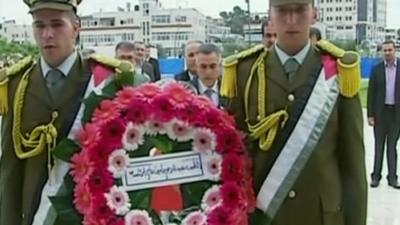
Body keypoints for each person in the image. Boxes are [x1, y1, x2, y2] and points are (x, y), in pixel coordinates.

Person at [0, 1, 147, 224]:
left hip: (91, 212)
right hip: (35, 213)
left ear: (77, 28)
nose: (48, 34)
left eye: (57, 24)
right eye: (39, 26)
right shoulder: (15, 84)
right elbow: (9, 167)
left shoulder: (108, 81)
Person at [221, 0, 367, 224]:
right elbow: (233, 151)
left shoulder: (337, 71)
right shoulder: (245, 72)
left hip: (321, 216)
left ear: (314, 14)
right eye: (282, 11)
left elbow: (352, 163)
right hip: (265, 215)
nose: (291, 20)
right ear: (270, 16)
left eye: (299, 10)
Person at [367, 40, 400, 189]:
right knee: (378, 146)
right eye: (384, 50)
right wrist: (370, 115)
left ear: (395, 50)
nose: (387, 53)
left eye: (389, 50)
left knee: (392, 147)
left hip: (396, 114)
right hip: (380, 114)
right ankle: (376, 177)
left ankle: (393, 178)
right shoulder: (376, 69)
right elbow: (371, 93)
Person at [189, 44, 227, 108]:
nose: (208, 72)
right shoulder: (187, 93)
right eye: (203, 67)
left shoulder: (229, 93)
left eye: (213, 66)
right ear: (196, 66)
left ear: (220, 66)